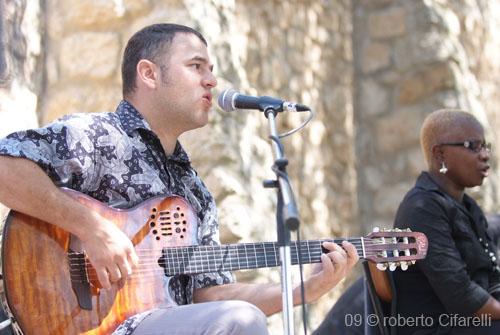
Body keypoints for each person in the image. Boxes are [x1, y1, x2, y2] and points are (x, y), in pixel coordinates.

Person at [0, 23, 358, 334]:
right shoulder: (98, 136)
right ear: (149, 74)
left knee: (239, 318)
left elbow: (210, 297)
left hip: (159, 322)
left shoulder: (195, 193)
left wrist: (303, 290)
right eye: (196, 66)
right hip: (76, 322)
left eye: (211, 69)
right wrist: (90, 227)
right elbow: (5, 167)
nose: (212, 81)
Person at [392, 109, 500, 334]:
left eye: (485, 146)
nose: (484, 155)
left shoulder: (467, 205)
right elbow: (463, 298)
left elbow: (490, 275)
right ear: (440, 154)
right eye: (473, 146)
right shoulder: (422, 208)